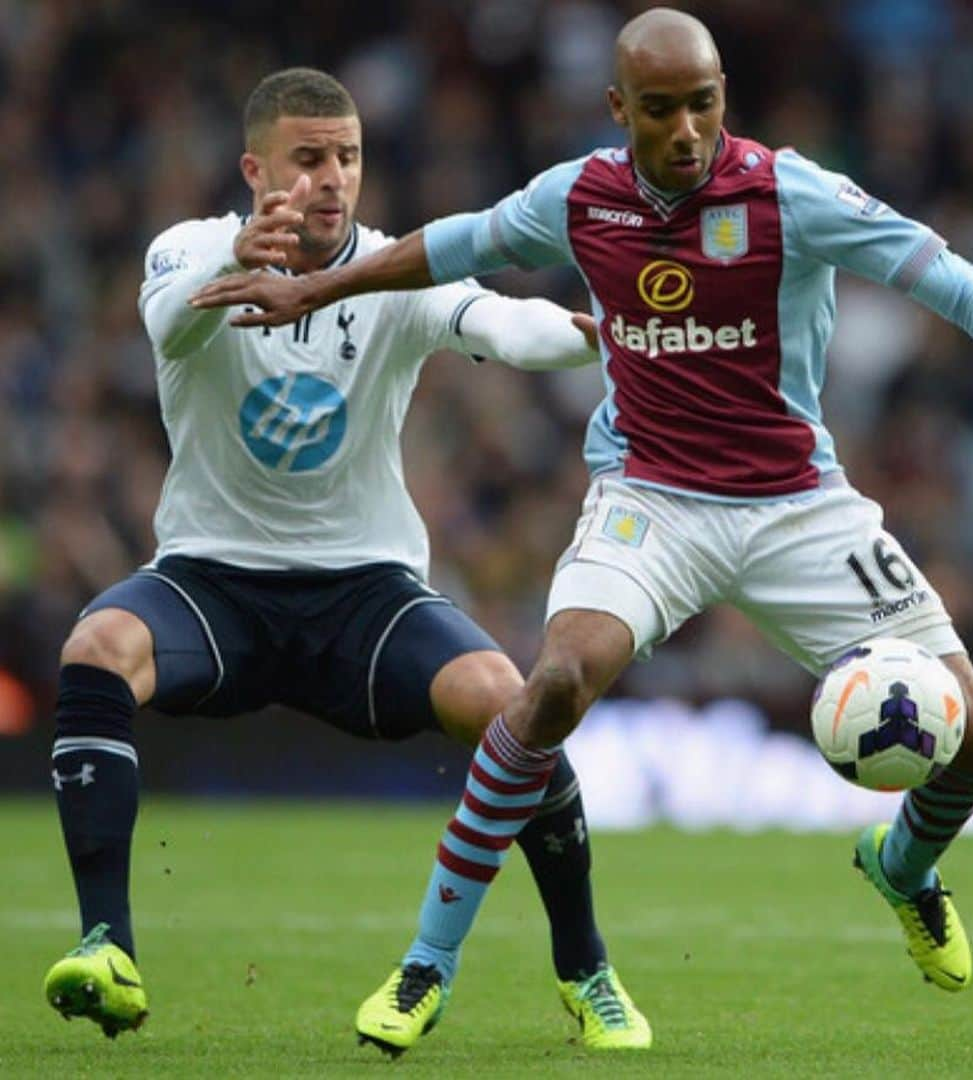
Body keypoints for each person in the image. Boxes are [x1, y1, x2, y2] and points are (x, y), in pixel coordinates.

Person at [191, 6, 973, 1046]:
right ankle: (426, 965)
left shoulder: (790, 193)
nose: (688, 131)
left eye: (704, 104)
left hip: (797, 502)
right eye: (661, 111)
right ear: (620, 110)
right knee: (556, 683)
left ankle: (903, 867)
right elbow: (451, 245)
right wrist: (320, 289)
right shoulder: (580, 198)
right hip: (649, 496)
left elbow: (966, 292)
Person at [42, 67, 653, 1055]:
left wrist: (600, 338)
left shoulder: (392, 274)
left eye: (349, 157)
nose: (334, 178)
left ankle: (586, 967)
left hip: (363, 595)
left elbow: (500, 322)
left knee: (513, 698)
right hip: (212, 582)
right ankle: (107, 945)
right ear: (255, 168)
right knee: (98, 645)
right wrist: (232, 264)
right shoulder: (192, 249)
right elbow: (167, 327)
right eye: (309, 158)